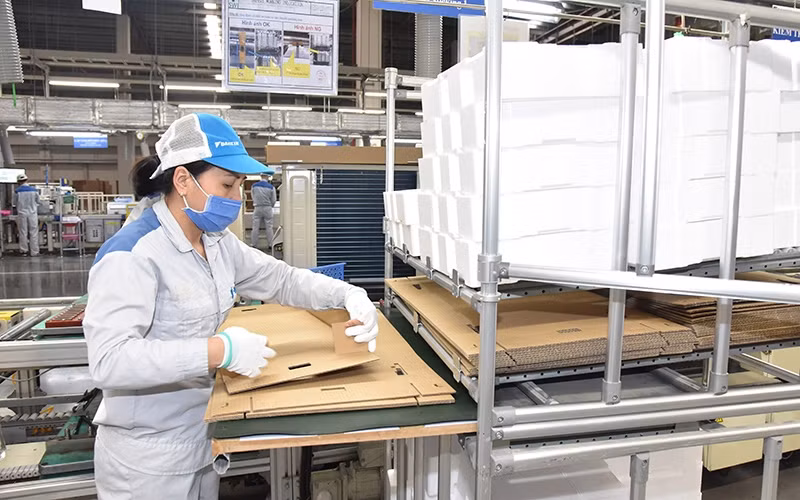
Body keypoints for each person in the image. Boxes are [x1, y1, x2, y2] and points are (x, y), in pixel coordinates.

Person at [83, 113, 379, 500]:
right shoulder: (133, 254)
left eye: (240, 185)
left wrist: (346, 295)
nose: (236, 197)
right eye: (227, 184)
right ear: (183, 180)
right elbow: (111, 361)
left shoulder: (217, 241)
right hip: (146, 463)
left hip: (203, 437)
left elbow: (282, 279)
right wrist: (220, 351)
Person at [12, 174, 40, 256]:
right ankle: (35, 252)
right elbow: (38, 202)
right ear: (27, 180)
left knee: (23, 232)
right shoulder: (34, 190)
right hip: (33, 213)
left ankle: (24, 251)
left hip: (22, 213)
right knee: (34, 232)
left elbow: (14, 203)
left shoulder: (17, 191)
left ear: (18, 182)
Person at [250, 172, 276, 251]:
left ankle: (253, 244)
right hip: (267, 208)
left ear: (261, 176)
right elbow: (274, 200)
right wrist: (270, 205)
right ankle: (271, 245)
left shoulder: (254, 186)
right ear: (268, 177)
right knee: (269, 227)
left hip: (257, 207)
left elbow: (253, 197)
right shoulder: (271, 187)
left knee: (255, 227)